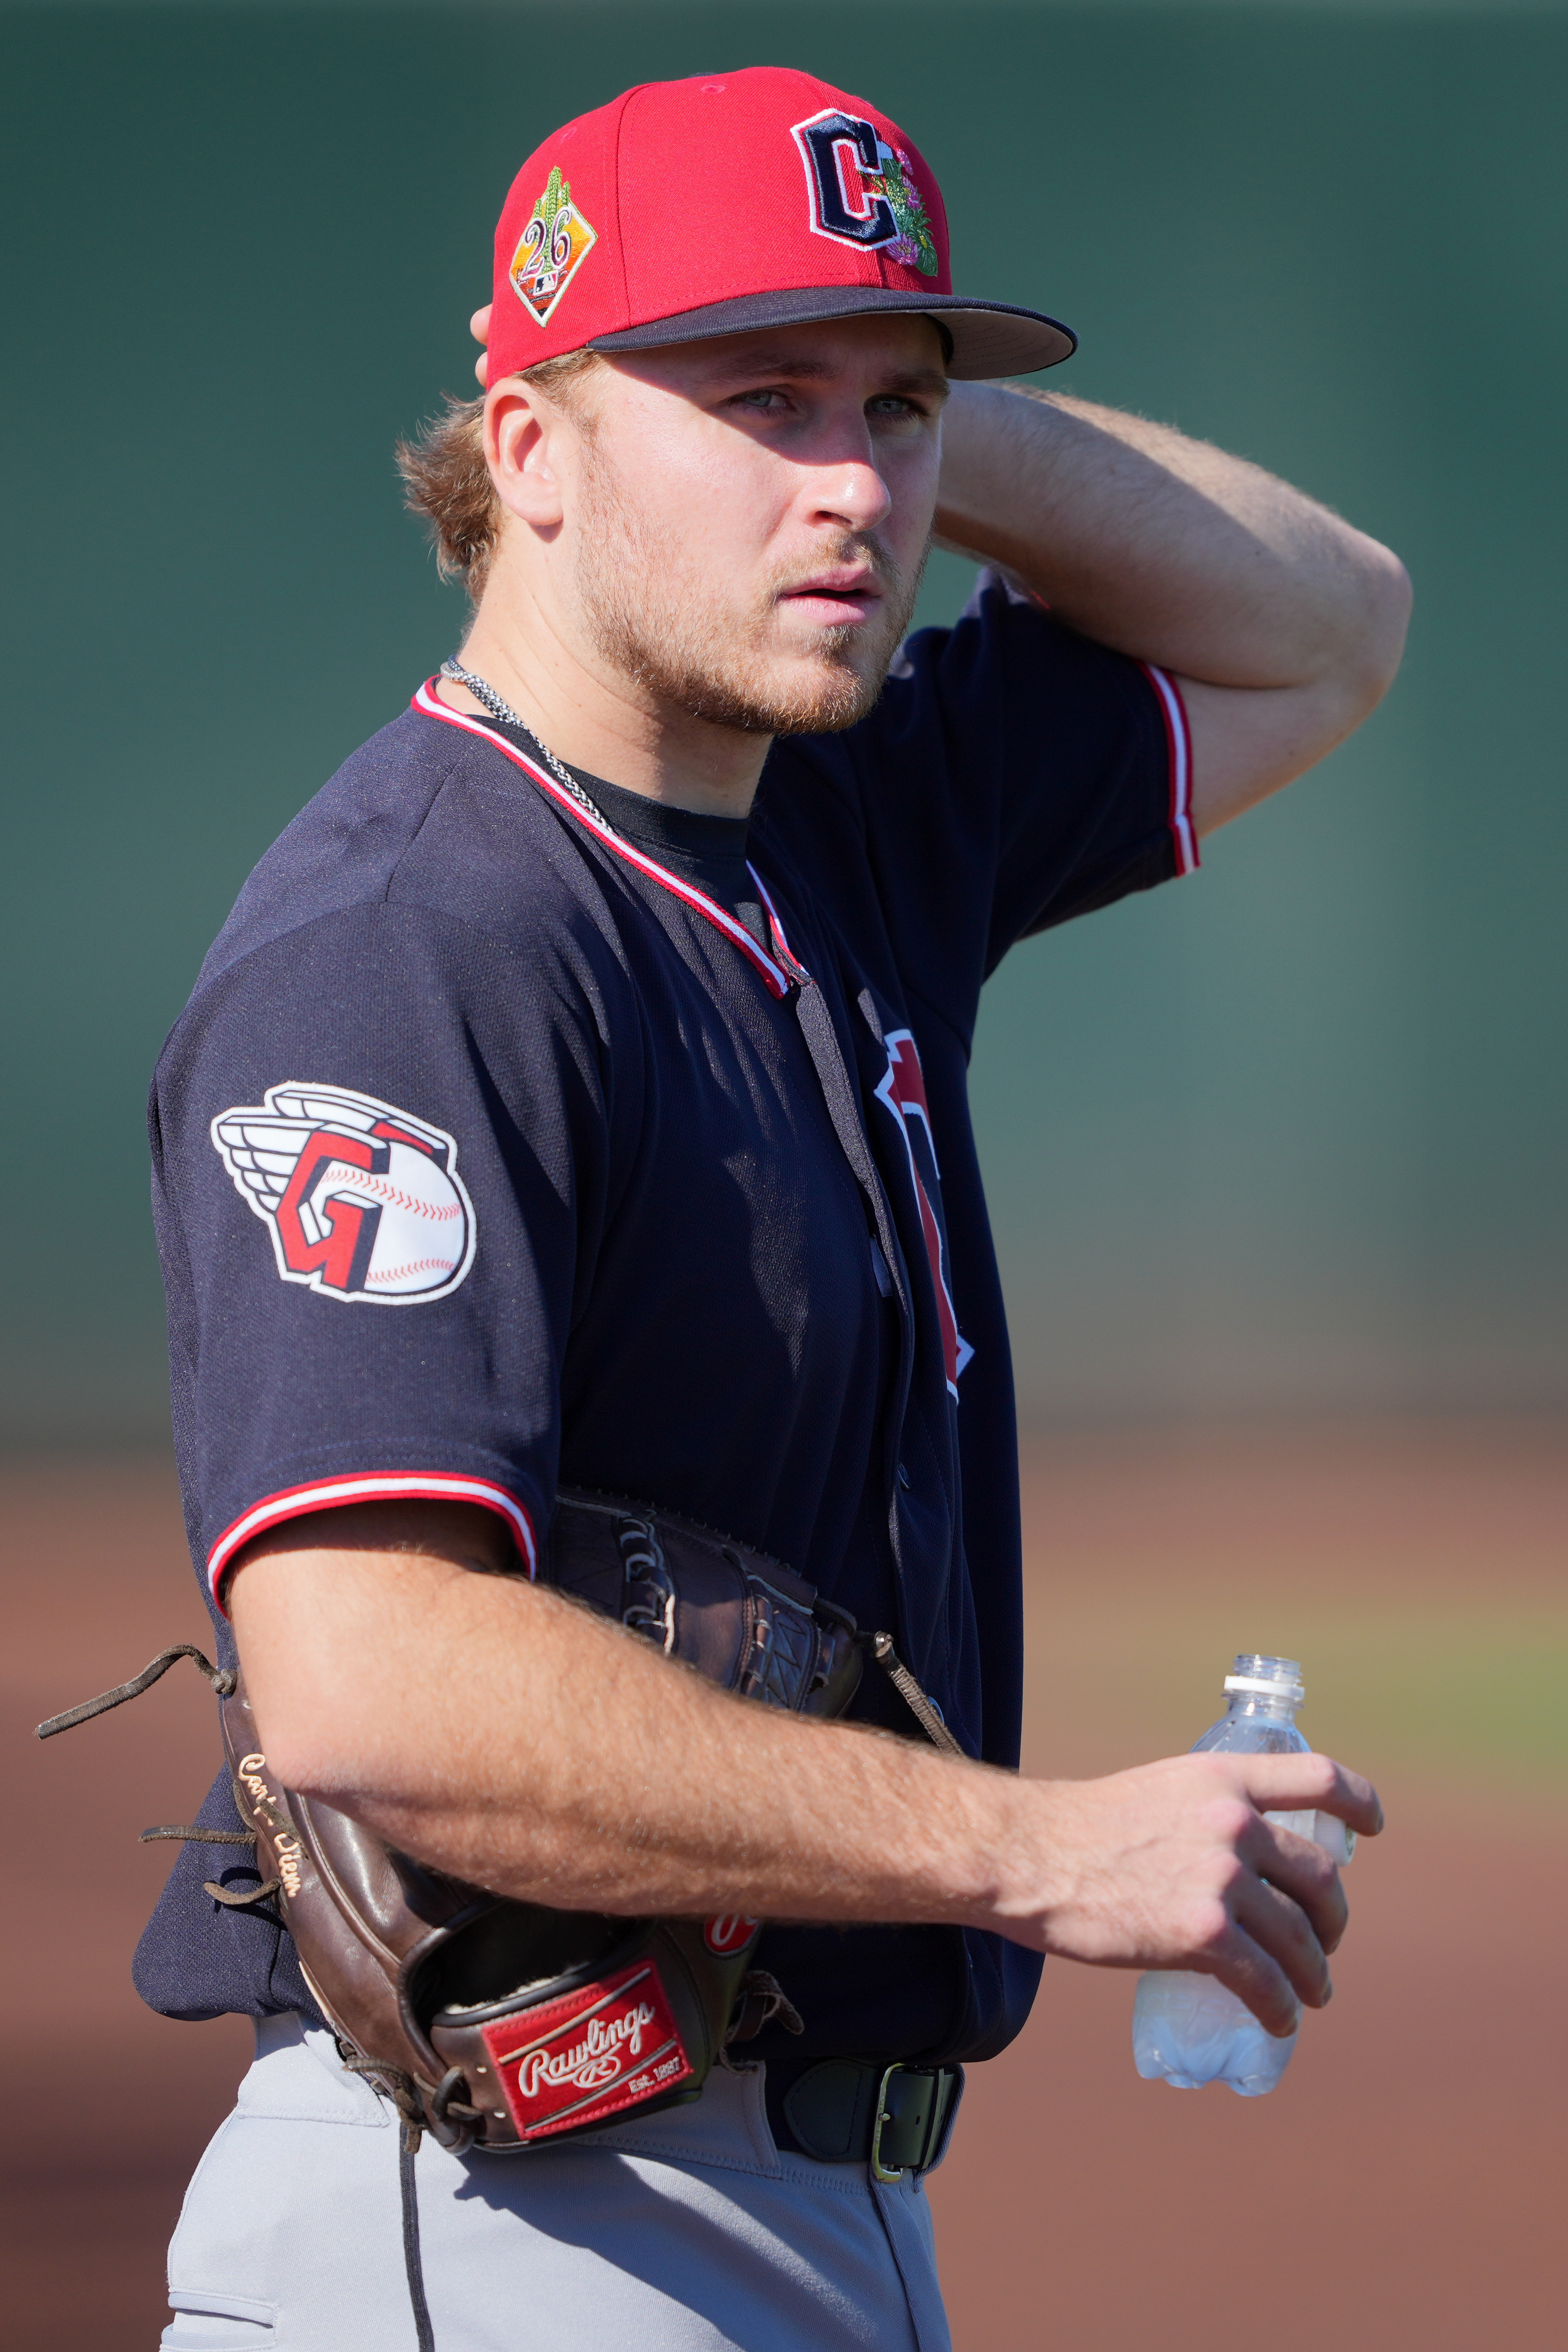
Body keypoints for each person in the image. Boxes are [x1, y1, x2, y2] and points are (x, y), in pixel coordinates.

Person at [138, 66, 1400, 2352]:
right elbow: (363, 1672)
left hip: (785, 2215)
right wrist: (1038, 1844)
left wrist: (871, 404)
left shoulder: (852, 819)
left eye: (894, 414)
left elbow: (1329, 624)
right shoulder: (415, 941)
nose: (849, 484)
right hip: (503, 2209)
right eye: (756, 402)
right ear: (526, 446)